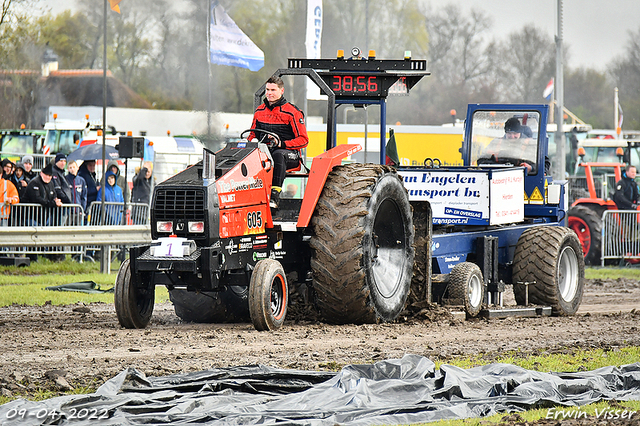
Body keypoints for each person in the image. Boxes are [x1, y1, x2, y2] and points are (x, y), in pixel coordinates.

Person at [249, 75, 309, 209]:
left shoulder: (292, 112)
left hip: (290, 155)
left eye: (273, 90)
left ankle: (274, 196)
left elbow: (304, 140)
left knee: (278, 155)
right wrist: (249, 141)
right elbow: (252, 133)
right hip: (265, 153)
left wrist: (282, 143)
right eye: (267, 90)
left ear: (282, 91)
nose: (269, 93)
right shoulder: (259, 111)